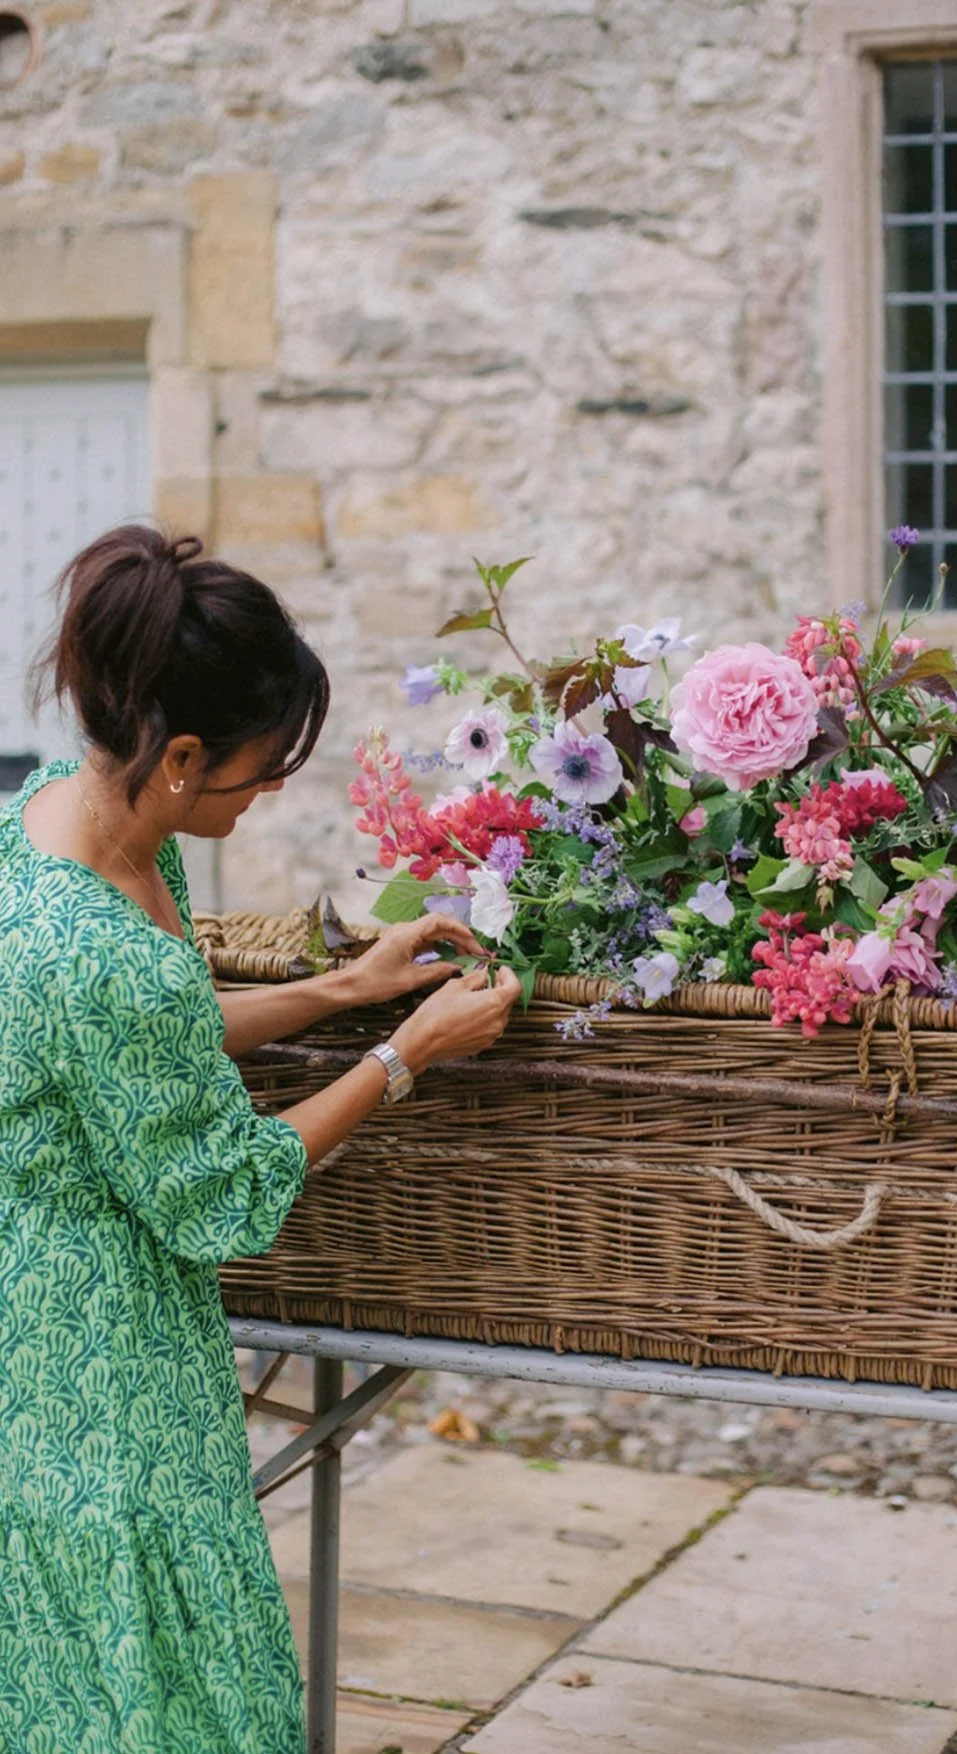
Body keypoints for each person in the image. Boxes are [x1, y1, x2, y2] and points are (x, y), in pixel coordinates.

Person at [0, 525, 520, 1754]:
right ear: (178, 756)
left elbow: (149, 1043)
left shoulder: (57, 816)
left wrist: (345, 993)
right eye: (257, 769)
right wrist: (406, 1058)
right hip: (96, 1360)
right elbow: (224, 1193)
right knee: (159, 1684)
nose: (271, 789)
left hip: (33, 1310)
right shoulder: (99, 943)